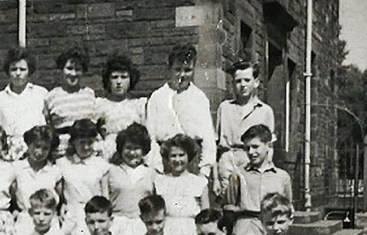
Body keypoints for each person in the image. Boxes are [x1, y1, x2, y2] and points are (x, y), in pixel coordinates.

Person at [145, 44, 216, 177]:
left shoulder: (199, 98)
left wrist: (204, 170)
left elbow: (208, 138)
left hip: (193, 163)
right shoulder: (157, 97)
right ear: (169, 69)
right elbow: (151, 136)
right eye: (177, 69)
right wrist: (157, 168)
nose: (182, 75)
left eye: (187, 70)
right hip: (164, 163)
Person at [227, 124, 292, 235]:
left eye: (255, 147)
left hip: (273, 228)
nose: (251, 152)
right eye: (247, 148)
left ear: (268, 146)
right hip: (246, 228)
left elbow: (287, 206)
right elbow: (229, 206)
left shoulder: (282, 177)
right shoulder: (238, 175)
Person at [215, 60, 275, 196]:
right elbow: (215, 145)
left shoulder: (265, 111)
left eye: (247, 80)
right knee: (228, 208)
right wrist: (216, 179)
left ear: (256, 82)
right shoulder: (224, 108)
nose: (242, 85)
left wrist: (267, 175)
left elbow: (269, 148)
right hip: (227, 163)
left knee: (251, 206)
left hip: (252, 163)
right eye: (238, 81)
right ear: (233, 84)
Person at [0, 48, 48, 161]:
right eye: (13, 69)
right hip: (9, 153)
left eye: (22, 69)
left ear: (29, 71)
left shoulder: (41, 94)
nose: (18, 73)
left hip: (36, 151)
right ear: (8, 71)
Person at [154, 134, 209, 235]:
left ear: (188, 156)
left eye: (181, 155)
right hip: (167, 231)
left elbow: (206, 215)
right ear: (167, 158)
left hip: (192, 233)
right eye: (173, 156)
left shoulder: (199, 182)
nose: (177, 159)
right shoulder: (160, 181)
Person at [57, 119, 109, 235]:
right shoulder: (63, 164)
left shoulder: (101, 165)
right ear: (73, 142)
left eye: (90, 142)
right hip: (71, 217)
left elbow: (105, 197)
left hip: (94, 218)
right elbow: (60, 196)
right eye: (81, 142)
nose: (86, 147)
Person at [105, 123, 155, 235]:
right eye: (128, 148)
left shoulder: (151, 173)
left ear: (143, 150)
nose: (132, 153)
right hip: (116, 225)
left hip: (143, 226)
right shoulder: (110, 171)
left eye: (136, 148)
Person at [12, 125, 63, 235]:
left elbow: (60, 198)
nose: (39, 152)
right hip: (25, 223)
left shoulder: (55, 171)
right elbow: (12, 196)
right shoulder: (17, 168)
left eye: (45, 148)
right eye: (37, 146)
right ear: (28, 144)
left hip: (49, 223)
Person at [45, 46, 96, 157]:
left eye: (77, 69)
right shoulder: (51, 97)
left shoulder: (89, 95)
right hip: (62, 154)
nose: (73, 74)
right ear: (61, 69)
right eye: (69, 68)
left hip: (87, 154)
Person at [95, 53, 147, 159]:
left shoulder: (138, 105)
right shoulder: (100, 105)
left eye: (124, 77)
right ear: (108, 81)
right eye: (114, 77)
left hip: (133, 153)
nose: (119, 82)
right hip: (108, 153)